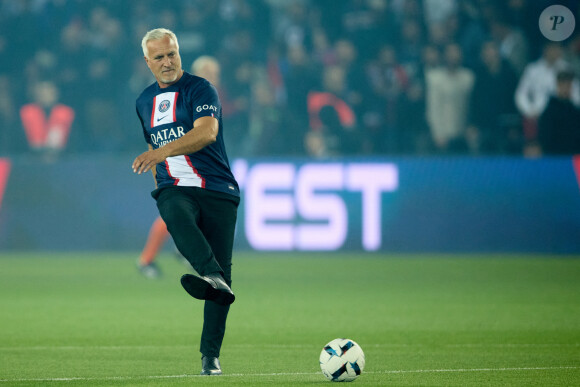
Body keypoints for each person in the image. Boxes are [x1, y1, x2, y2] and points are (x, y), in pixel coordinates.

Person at [132, 28, 240, 376]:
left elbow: (207, 131)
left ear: (179, 53)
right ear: (147, 62)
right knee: (172, 208)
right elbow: (153, 148)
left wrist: (160, 151)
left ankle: (210, 357)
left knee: (222, 283)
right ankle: (210, 275)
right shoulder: (144, 102)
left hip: (217, 188)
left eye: (172, 54)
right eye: (159, 57)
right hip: (175, 185)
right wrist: (159, 174)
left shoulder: (200, 88)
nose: (167, 62)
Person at [137, 55, 223, 279]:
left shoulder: (203, 95)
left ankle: (178, 250)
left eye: (216, 74)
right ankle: (154, 258)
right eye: (211, 73)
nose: (215, 78)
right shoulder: (184, 94)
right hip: (180, 158)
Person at [538, 69, 580, 155]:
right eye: (563, 84)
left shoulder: (575, 112)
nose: (566, 88)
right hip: (555, 158)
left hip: (573, 158)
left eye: (568, 85)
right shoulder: (549, 112)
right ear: (557, 85)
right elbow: (545, 137)